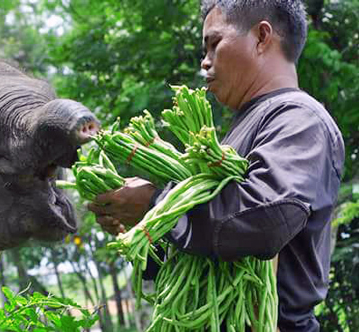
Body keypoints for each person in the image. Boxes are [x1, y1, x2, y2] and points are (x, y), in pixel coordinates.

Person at [87, 1, 345, 331]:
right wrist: (143, 232)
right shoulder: (245, 127)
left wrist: (156, 206)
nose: (204, 61)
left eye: (214, 43)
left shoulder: (298, 119)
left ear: (261, 37)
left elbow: (264, 220)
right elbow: (206, 256)